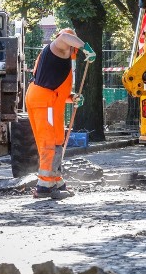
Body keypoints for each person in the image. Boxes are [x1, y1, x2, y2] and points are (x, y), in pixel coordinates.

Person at [25, 28, 96, 199]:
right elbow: (65, 37)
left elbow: (57, 88)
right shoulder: (57, 47)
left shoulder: (60, 58)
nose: (75, 52)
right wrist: (87, 47)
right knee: (48, 142)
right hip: (44, 102)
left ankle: (56, 180)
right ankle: (44, 186)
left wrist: (72, 97)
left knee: (57, 140)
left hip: (51, 101)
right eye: (75, 48)